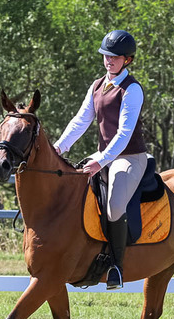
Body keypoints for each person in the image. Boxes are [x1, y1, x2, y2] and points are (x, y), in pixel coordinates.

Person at [54, 30, 148, 290]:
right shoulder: (96, 85)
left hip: (129, 158)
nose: (109, 61)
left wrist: (101, 161)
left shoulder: (132, 89)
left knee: (114, 207)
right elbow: (81, 120)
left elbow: (124, 133)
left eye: (115, 57)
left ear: (127, 60)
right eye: (106, 56)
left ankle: (116, 266)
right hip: (104, 155)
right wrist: (59, 147)